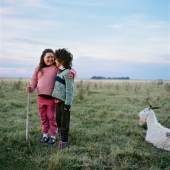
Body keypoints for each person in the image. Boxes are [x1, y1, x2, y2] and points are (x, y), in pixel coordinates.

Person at [27, 49, 75, 145]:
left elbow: (68, 69)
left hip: (51, 98)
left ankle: (53, 135)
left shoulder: (56, 67)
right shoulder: (38, 68)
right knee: (43, 117)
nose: (50, 59)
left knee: (51, 117)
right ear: (43, 58)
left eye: (52, 57)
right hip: (41, 98)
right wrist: (31, 88)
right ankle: (45, 134)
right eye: (48, 57)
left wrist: (72, 73)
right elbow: (34, 81)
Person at [52, 48, 75, 149]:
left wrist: (68, 104)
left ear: (62, 60)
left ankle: (64, 141)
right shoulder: (59, 72)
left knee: (64, 121)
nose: (54, 61)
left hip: (64, 103)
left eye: (56, 59)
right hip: (57, 101)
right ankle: (61, 137)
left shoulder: (67, 73)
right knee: (58, 120)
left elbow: (70, 90)